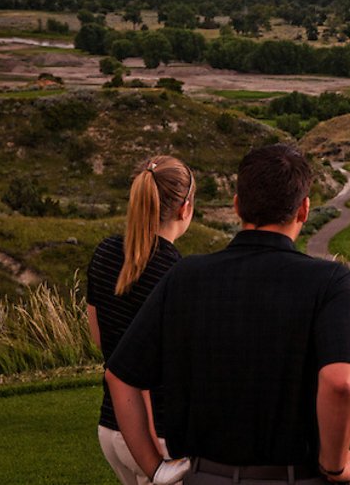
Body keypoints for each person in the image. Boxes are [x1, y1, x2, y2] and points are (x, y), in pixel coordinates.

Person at [105, 143, 350, 485]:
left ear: (236, 206)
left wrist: (155, 468)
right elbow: (340, 382)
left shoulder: (185, 276)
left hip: (205, 476)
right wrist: (336, 466)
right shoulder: (331, 282)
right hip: (295, 476)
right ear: (304, 210)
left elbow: (120, 375)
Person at [87, 155, 196, 485]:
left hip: (111, 428)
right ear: (185, 208)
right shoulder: (179, 274)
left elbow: (98, 337)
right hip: (160, 439)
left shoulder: (105, 252)